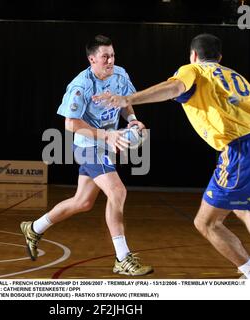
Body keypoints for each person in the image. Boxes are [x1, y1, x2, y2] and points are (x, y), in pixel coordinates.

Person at [93, 33, 250, 279]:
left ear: (193, 56)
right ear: (219, 57)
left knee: (206, 223)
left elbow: (174, 87)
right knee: (244, 209)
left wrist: (126, 99)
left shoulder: (194, 70)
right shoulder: (231, 74)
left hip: (242, 149)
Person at [20, 35, 153, 276]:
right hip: (88, 144)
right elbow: (71, 124)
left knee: (83, 202)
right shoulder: (81, 85)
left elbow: (125, 103)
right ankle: (122, 258)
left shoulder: (120, 75)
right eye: (105, 56)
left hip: (106, 143)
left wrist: (133, 121)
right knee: (117, 191)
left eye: (112, 55)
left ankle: (34, 227)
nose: (110, 60)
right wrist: (106, 136)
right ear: (92, 59)